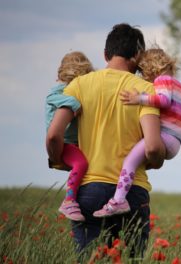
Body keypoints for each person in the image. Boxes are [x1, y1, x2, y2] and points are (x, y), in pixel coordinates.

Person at [46, 23, 165, 258]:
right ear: (137, 57)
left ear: (105, 54)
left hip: (88, 190)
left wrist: (58, 159)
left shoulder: (78, 85)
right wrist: (158, 159)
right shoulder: (145, 90)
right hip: (132, 193)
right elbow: (152, 147)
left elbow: (53, 135)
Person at [93, 47, 181, 217]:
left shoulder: (162, 80)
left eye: (142, 72)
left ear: (150, 68)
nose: (143, 78)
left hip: (164, 137)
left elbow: (163, 100)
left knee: (130, 161)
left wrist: (138, 98)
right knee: (138, 160)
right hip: (176, 141)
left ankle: (118, 200)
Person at [45, 51, 93, 222]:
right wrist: (74, 103)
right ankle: (69, 200)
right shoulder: (60, 89)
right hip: (64, 142)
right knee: (81, 163)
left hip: (74, 142)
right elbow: (52, 98)